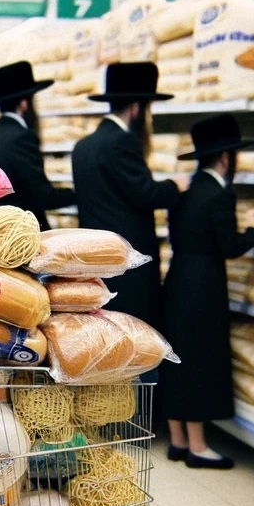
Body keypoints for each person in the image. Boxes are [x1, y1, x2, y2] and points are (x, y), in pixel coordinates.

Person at [161, 114, 254, 468]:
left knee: (176, 355)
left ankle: (177, 440)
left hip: (178, 277)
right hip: (204, 283)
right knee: (199, 360)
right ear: (226, 157)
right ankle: (198, 447)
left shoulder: (186, 192)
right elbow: (228, 246)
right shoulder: (221, 195)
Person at [71, 61, 190, 327]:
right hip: (128, 265)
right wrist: (175, 185)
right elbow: (145, 194)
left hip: (96, 262)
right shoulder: (121, 142)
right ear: (137, 108)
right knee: (136, 337)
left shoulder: (84, 146)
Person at [0, 60, 75, 229]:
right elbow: (41, 195)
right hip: (25, 234)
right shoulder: (22, 137)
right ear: (24, 103)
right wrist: (76, 194)